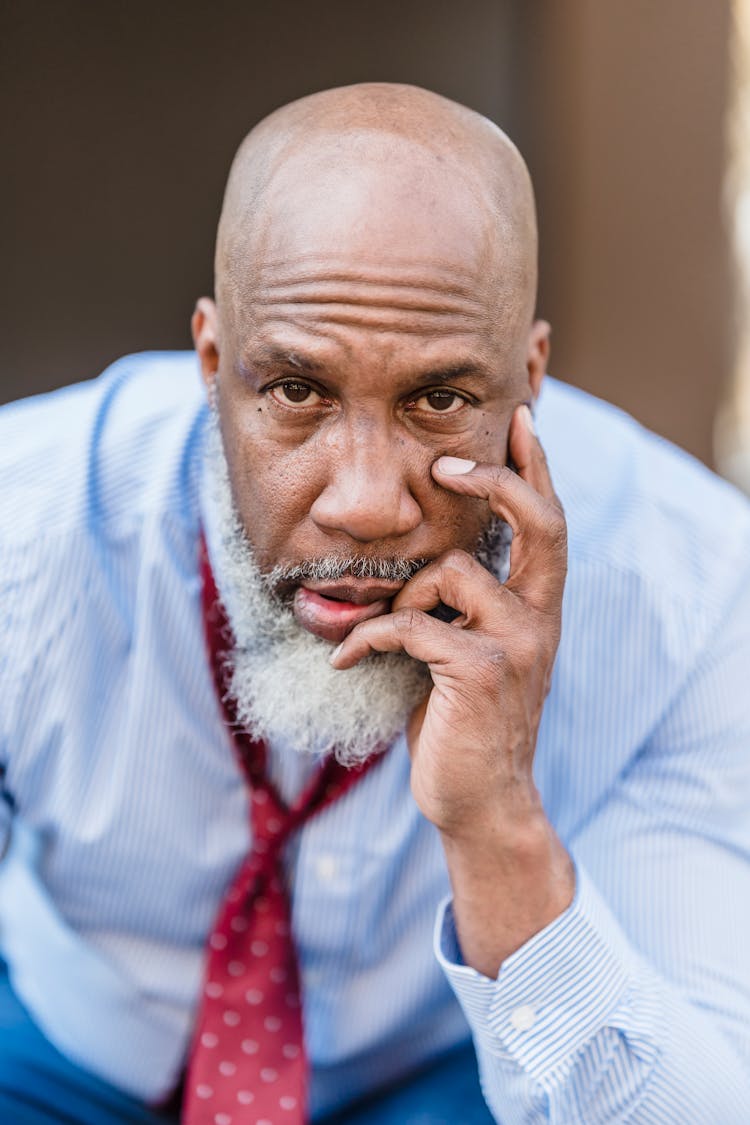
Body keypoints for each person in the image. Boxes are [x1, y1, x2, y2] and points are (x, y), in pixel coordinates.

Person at [1, 82, 749, 1125]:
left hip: (452, 1076)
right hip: (66, 1051)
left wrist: (497, 826)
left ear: (528, 379)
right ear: (212, 364)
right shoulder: (24, 534)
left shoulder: (698, 596)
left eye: (440, 401)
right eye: (297, 393)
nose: (363, 506)